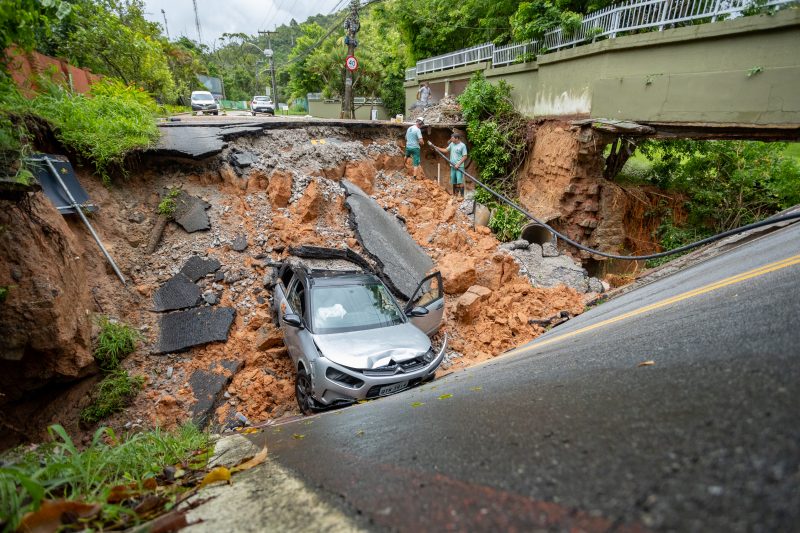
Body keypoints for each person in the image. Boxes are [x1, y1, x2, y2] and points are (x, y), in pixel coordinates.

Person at [433, 132, 468, 197]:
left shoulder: (462, 145)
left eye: (452, 138)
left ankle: (462, 196)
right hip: (452, 166)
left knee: (459, 181)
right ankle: (455, 195)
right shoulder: (452, 144)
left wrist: (458, 164)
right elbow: (446, 150)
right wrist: (438, 148)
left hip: (459, 167)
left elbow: (465, 156)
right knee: (454, 181)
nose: (451, 140)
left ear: (457, 138)